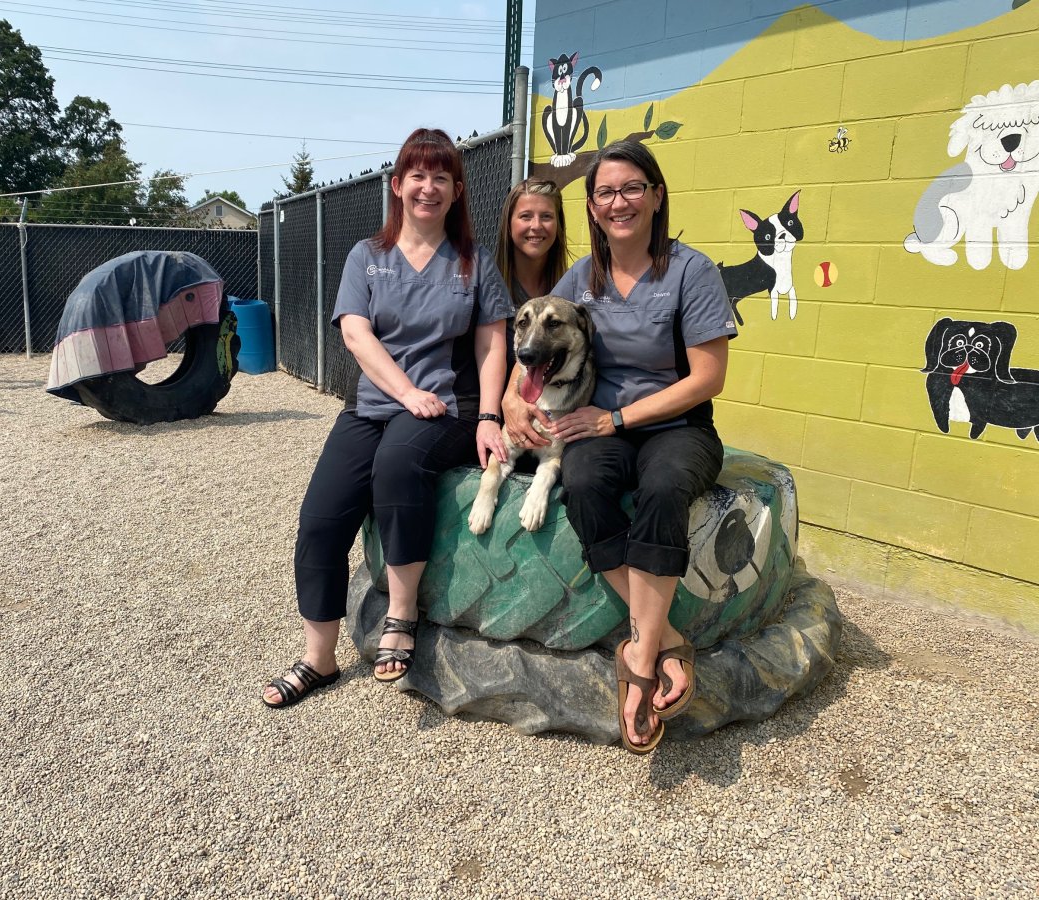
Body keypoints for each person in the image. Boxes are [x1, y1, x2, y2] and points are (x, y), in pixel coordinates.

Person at [263, 128, 513, 709]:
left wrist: (491, 415)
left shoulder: (473, 264)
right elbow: (355, 332)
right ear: (397, 185)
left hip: (445, 406)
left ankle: (402, 615)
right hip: (377, 404)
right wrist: (403, 392)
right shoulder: (366, 257)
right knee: (320, 518)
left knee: (399, 467)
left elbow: (492, 345)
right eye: (417, 176)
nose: (429, 187)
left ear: (456, 192)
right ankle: (318, 657)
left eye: (442, 177)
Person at [502, 140, 736, 753]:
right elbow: (533, 338)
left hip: (676, 430)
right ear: (592, 206)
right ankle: (667, 639)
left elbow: (707, 378)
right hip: (597, 428)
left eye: (632, 188)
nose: (619, 202)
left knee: (661, 488)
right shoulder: (583, 278)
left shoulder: (692, 271)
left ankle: (638, 658)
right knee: (583, 484)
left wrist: (616, 419)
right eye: (605, 192)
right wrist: (509, 398)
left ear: (657, 196)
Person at [493, 178, 570, 376]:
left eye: (546, 216)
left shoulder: (571, 287)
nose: (536, 226)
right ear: (508, 223)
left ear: (558, 224)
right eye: (526, 216)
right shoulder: (488, 285)